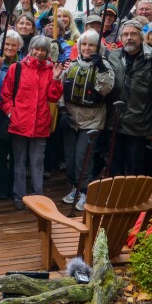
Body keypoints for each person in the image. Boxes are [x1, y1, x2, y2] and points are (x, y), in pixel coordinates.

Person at [1, 35, 64, 210]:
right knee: (19, 161)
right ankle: (19, 197)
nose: (39, 52)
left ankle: (38, 198)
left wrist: (57, 79)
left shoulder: (51, 70)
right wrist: (11, 113)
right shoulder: (17, 67)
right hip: (19, 122)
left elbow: (53, 96)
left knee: (37, 163)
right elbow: (5, 95)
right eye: (36, 48)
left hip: (40, 123)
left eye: (43, 50)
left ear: (47, 52)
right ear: (30, 49)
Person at [107, 21, 152, 176]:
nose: (129, 38)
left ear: (141, 37)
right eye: (125, 34)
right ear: (121, 38)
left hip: (138, 126)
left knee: (135, 170)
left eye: (133, 34)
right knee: (113, 168)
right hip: (113, 123)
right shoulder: (111, 57)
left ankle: (134, 200)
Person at [61, 30, 115, 211]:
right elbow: (61, 87)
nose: (86, 48)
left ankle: (85, 191)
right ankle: (74, 187)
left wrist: (100, 68)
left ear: (97, 48)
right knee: (70, 157)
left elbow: (105, 88)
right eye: (84, 44)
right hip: (71, 117)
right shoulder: (72, 65)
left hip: (92, 119)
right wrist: (62, 110)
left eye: (91, 45)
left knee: (82, 157)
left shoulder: (104, 66)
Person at [0, 30, 21, 200]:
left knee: (16, 153)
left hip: (17, 114)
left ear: (18, 47)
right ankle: (2, 187)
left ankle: (14, 186)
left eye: (13, 45)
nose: (9, 47)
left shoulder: (22, 63)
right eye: (6, 44)